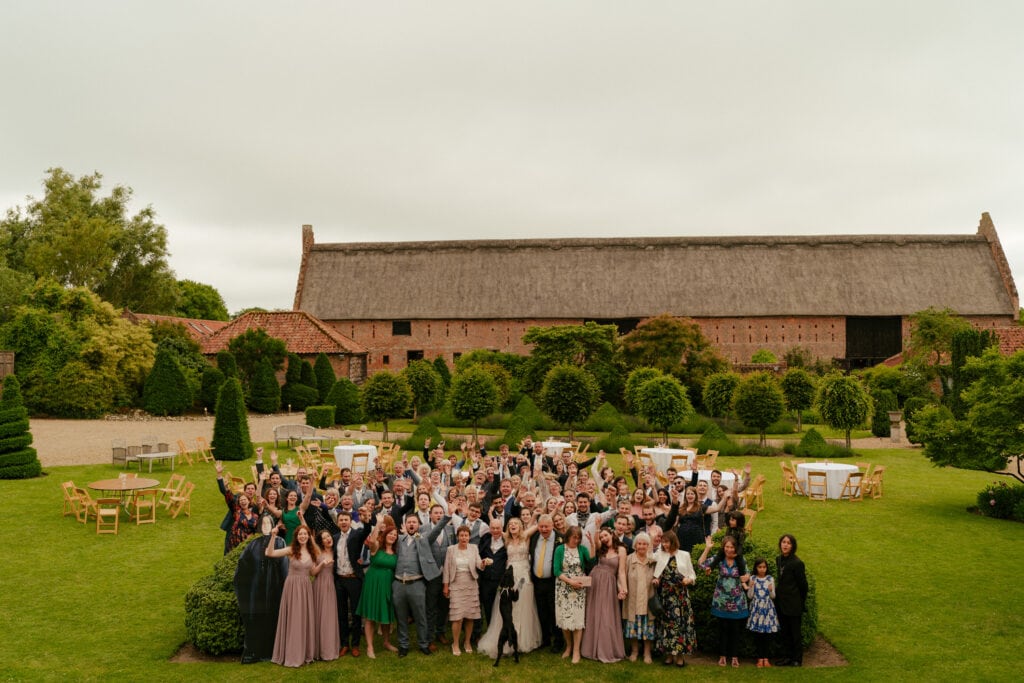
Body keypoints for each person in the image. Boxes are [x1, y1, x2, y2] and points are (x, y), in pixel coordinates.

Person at [477, 517, 543, 658]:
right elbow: (494, 529)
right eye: (510, 524)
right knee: (508, 607)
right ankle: (506, 640)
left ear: (520, 526)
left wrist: (538, 512)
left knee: (523, 607)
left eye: (515, 524)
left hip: (524, 576)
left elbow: (540, 525)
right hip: (509, 576)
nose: (513, 525)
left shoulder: (526, 536)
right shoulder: (506, 539)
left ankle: (521, 640)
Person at [392, 511, 450, 657]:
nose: (411, 524)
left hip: (417, 584)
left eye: (414, 522)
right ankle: (403, 645)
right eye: (409, 522)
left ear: (419, 525)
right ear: (405, 525)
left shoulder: (423, 539)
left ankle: (423, 644)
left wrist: (447, 515)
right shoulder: (398, 540)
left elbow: (436, 530)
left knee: (421, 617)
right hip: (398, 584)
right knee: (401, 616)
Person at [233, 514, 288, 663]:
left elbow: (284, 566)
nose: (265, 526)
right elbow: (243, 565)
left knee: (273, 617)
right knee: (256, 618)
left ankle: (273, 652)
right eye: (262, 524)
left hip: (275, 588)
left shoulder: (280, 542)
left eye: (268, 523)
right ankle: (255, 653)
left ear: (272, 525)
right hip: (256, 589)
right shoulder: (253, 544)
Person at [266, 524, 321, 667]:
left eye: (305, 534)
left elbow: (313, 572)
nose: (303, 536)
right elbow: (269, 553)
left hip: (305, 587)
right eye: (300, 534)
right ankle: (291, 653)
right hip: (292, 587)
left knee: (304, 618)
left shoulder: (313, 552)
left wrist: (322, 566)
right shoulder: (291, 550)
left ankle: (304, 652)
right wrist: (273, 536)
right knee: (293, 618)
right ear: (296, 537)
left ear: (309, 536)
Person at [699, 534, 750, 668]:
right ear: (723, 548)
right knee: (722, 630)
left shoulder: (741, 560)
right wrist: (707, 548)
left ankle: (734, 656)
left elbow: (747, 575)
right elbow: (700, 564)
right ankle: (722, 656)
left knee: (735, 631)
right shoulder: (719, 559)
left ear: (735, 548)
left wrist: (746, 578)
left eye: (731, 547)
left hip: (737, 601)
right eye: (726, 547)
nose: (729, 549)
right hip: (721, 600)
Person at [579, 528, 627, 663]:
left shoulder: (621, 550)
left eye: (605, 535)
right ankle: (590, 648)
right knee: (593, 613)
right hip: (595, 581)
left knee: (606, 616)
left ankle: (606, 648)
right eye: (601, 537)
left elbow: (621, 572)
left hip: (609, 585)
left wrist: (623, 589)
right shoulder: (601, 548)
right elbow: (596, 543)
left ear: (612, 534)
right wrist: (597, 532)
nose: (604, 538)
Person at [653, 530, 697, 667]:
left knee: (681, 626)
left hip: (681, 596)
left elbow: (692, 575)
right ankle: (668, 655)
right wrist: (655, 579)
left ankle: (680, 656)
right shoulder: (660, 554)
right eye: (663, 542)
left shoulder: (684, 555)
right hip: (666, 596)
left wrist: (688, 580)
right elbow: (648, 557)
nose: (665, 545)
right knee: (667, 625)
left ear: (673, 541)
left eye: (667, 542)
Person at [355, 521, 399, 659]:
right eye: (390, 534)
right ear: (385, 535)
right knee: (370, 615)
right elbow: (372, 540)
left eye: (395, 535)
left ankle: (386, 642)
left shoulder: (397, 552)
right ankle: (370, 646)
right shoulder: (377, 547)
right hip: (373, 583)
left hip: (388, 583)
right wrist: (379, 524)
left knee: (386, 614)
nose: (392, 536)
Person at [332, 510, 373, 657]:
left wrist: (366, 519)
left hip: (354, 579)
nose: (343, 522)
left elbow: (367, 530)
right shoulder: (335, 538)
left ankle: (355, 644)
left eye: (346, 520)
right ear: (338, 522)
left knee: (356, 613)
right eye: (341, 520)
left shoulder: (357, 534)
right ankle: (344, 644)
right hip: (339, 580)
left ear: (350, 522)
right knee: (341, 614)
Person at [442, 525, 485, 655]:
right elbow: (447, 568)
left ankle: (467, 642)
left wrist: (483, 563)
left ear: (469, 536)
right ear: (458, 536)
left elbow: (478, 564)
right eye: (461, 535)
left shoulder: (474, 548)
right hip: (456, 584)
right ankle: (455, 643)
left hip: (471, 584)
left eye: (466, 535)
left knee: (470, 616)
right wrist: (446, 585)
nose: (464, 537)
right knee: (457, 617)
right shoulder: (451, 550)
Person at [528, 513, 565, 653]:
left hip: (553, 581)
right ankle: (545, 639)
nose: (544, 529)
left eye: (546, 526)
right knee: (541, 611)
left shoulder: (560, 539)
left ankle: (558, 640)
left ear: (552, 526)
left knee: (554, 612)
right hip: (537, 581)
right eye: (541, 526)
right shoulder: (535, 537)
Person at [553, 525, 590, 663]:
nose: (576, 540)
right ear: (567, 536)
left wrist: (592, 543)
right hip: (563, 587)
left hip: (579, 588)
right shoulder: (560, 549)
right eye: (574, 537)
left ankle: (576, 651)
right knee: (564, 618)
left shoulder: (582, 549)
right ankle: (568, 646)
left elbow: (591, 560)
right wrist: (570, 581)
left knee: (578, 620)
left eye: (578, 538)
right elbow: (556, 570)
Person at [774, 533, 808, 667]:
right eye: (783, 542)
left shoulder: (797, 563)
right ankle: (787, 657)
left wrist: (800, 602)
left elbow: (803, 586)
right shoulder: (779, 559)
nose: (785, 545)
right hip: (782, 603)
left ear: (792, 546)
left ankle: (797, 659)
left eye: (788, 543)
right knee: (785, 632)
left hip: (794, 604)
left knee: (795, 633)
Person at [622, 531, 656, 663]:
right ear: (635, 545)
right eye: (639, 543)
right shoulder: (629, 559)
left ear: (648, 546)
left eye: (644, 544)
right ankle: (634, 652)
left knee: (648, 627)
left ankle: (647, 653)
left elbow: (658, 575)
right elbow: (622, 576)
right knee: (633, 627)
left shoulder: (653, 560)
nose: (642, 546)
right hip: (632, 599)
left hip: (648, 598)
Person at [474, 517, 508, 642]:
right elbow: (478, 554)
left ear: (502, 528)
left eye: (497, 528)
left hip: (501, 581)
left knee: (501, 608)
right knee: (487, 607)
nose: (495, 530)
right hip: (486, 580)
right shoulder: (485, 539)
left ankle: (502, 632)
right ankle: (489, 632)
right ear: (489, 528)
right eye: (492, 528)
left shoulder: (507, 541)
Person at [216, 462, 260, 553]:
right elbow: (226, 493)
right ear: (244, 490)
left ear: (255, 491)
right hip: (233, 530)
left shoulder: (255, 506)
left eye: (252, 489)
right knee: (228, 552)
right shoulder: (237, 499)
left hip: (247, 536)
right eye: (248, 489)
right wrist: (219, 475)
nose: (250, 491)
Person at [746, 557, 780, 668]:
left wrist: (770, 590)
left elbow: (773, 596)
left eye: (764, 567)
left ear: (766, 568)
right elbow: (750, 596)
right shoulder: (753, 578)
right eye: (760, 567)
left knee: (767, 635)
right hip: (756, 609)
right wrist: (750, 587)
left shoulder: (770, 579)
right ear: (756, 568)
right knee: (758, 635)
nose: (762, 569)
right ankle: (760, 659)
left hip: (767, 609)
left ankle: (766, 658)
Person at [313, 530, 340, 661]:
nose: (328, 539)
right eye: (324, 538)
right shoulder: (318, 552)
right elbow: (313, 572)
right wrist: (322, 564)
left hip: (331, 585)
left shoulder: (337, 551)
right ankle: (318, 649)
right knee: (319, 616)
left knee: (329, 617)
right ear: (321, 541)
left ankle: (329, 649)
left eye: (329, 536)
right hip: (319, 585)